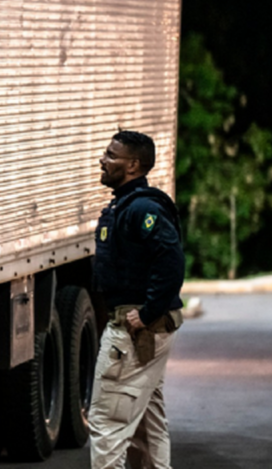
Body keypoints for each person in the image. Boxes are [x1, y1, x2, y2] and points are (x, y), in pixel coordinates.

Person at [89, 130, 185, 469]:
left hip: (135, 333)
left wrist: (146, 314)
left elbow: (171, 262)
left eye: (111, 155)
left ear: (133, 165)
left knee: (107, 425)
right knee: (147, 422)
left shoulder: (142, 208)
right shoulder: (127, 205)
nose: (103, 159)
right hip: (143, 333)